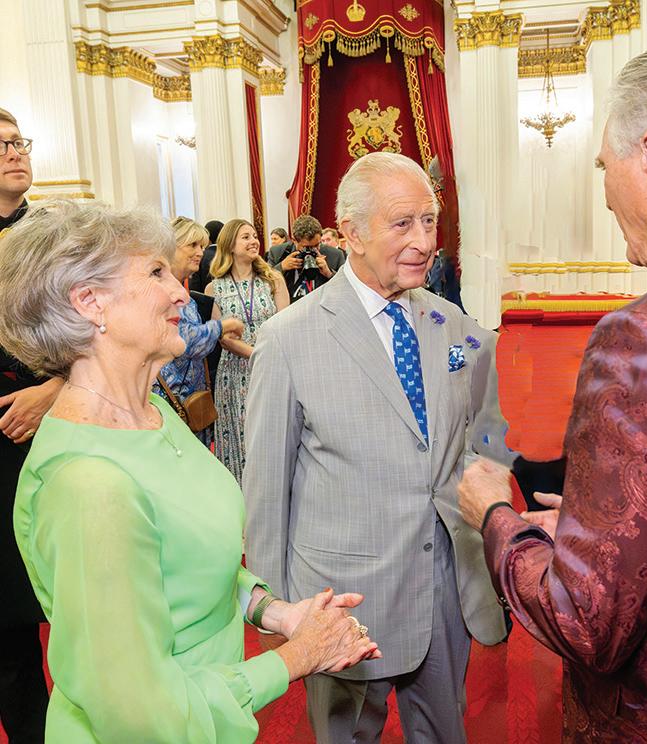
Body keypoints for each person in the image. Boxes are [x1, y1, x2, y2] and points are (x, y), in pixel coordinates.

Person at [458, 37, 647, 743]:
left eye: (604, 166)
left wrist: (496, 519)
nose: (603, 191)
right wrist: (599, 526)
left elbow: (583, 621)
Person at [0, 200, 380, 743]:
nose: (182, 292)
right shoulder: (89, 484)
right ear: (89, 302)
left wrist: (276, 613)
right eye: (156, 272)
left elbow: (193, 559)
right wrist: (296, 657)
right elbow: (141, 717)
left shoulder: (153, 413)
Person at [244, 152, 510, 744]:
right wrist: (272, 605)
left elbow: (486, 434)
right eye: (403, 224)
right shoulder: (287, 340)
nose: (424, 242)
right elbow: (265, 488)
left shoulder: (457, 327)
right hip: (344, 597)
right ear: (352, 233)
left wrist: (487, 504)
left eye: (429, 221)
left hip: (444, 587)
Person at [0, 107, 53, 743]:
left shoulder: (58, 236)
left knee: (83, 610)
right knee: (10, 635)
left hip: (59, 437)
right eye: (1, 146)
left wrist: (54, 391)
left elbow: (105, 332)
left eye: (19, 143)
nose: (16, 153)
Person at [205, 219, 288, 485]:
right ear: (230, 244)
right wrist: (257, 355)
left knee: (272, 435)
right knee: (240, 438)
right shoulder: (214, 288)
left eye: (254, 235)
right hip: (234, 375)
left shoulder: (273, 279)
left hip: (272, 369)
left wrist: (266, 357)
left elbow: (286, 324)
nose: (254, 241)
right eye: (246, 237)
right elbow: (224, 338)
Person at [152, 217, 243, 445]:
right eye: (193, 245)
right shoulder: (161, 292)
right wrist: (222, 326)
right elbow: (184, 342)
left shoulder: (184, 294)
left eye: (202, 246)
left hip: (189, 400)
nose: (200, 252)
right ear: (171, 248)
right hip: (171, 404)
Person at [267, 214, 345, 301]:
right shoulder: (277, 253)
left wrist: (329, 274)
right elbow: (265, 284)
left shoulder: (335, 255)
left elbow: (345, 289)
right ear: (294, 240)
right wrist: (281, 267)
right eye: (307, 247)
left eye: (317, 245)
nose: (313, 250)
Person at [188, 218, 223, 293]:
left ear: (208, 238)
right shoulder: (230, 256)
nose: (200, 253)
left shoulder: (200, 257)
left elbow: (194, 288)